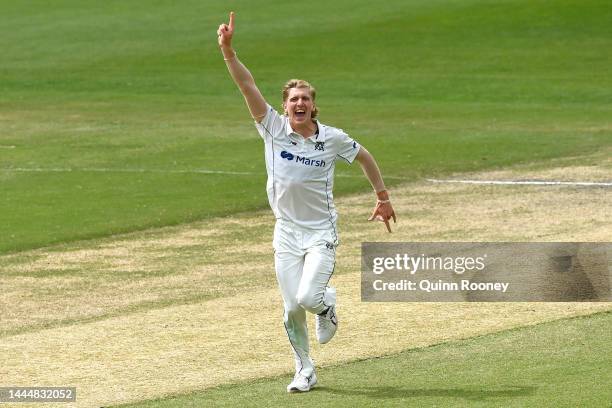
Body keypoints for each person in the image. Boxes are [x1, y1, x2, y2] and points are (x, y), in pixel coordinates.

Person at [217, 12, 396, 393]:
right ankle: (305, 369)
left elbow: (365, 156)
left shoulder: (331, 139)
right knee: (291, 308)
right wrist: (228, 51)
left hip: (320, 232)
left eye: (306, 100)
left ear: (314, 107)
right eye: (294, 99)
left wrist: (382, 197)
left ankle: (327, 304)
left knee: (309, 296)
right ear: (285, 107)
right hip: (286, 232)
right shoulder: (273, 128)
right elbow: (247, 86)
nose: (300, 104)